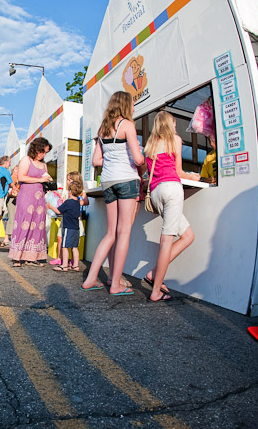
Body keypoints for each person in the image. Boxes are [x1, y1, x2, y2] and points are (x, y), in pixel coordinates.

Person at [81, 91, 145, 295]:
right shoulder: (127, 125)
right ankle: (115, 283)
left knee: (110, 233)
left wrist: (113, 157)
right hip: (126, 179)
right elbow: (138, 159)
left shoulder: (103, 129)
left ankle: (91, 278)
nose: (134, 108)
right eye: (132, 105)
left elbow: (96, 161)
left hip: (108, 181)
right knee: (124, 232)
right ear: (126, 105)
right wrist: (138, 155)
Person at [143, 111, 200, 302]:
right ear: (169, 124)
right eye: (174, 124)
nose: (176, 128)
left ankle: (153, 274)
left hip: (156, 193)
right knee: (167, 241)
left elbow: (148, 175)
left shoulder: (149, 146)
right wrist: (194, 177)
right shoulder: (174, 140)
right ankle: (156, 291)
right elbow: (178, 172)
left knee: (188, 236)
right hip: (172, 190)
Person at [8, 137, 52, 267]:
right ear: (36, 148)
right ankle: (18, 257)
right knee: (24, 223)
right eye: (42, 151)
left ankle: (32, 256)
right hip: (27, 196)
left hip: (39, 198)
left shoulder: (44, 164)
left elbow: (43, 179)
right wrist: (41, 179)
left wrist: (47, 180)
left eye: (45, 152)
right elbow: (21, 177)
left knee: (38, 225)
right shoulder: (26, 160)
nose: (43, 154)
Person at [47, 179, 84, 272]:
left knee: (64, 246)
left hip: (68, 227)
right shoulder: (77, 202)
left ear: (70, 191)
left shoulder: (68, 202)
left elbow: (59, 211)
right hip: (76, 228)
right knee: (74, 247)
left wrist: (51, 207)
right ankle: (76, 265)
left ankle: (64, 265)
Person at [4, 165, 19, 245]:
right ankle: (7, 237)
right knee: (12, 217)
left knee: (15, 218)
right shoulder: (11, 178)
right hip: (11, 199)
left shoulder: (19, 178)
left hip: (16, 199)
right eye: (16, 169)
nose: (17, 171)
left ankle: (13, 236)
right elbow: (9, 187)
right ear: (13, 170)